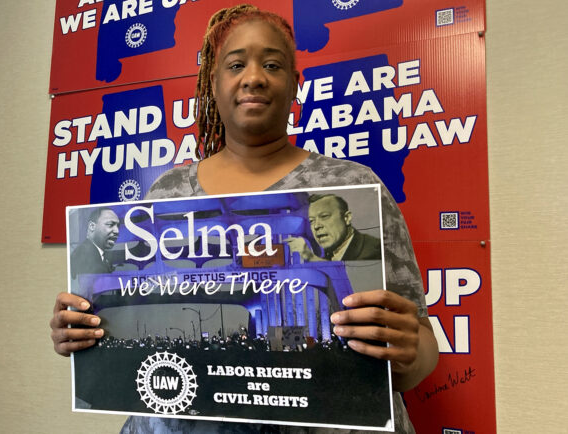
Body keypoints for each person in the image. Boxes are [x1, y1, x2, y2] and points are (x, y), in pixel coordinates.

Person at [51, 5, 438, 433]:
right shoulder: (166, 193)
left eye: (272, 64)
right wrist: (83, 332)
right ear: (213, 84)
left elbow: (419, 352)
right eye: (236, 65)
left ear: (295, 84)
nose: (253, 77)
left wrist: (409, 351)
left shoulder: (352, 183)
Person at [285, 194, 382, 262]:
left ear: (346, 218)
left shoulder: (373, 251)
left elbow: (348, 275)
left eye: (324, 216)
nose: (316, 226)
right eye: (311, 221)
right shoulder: (331, 251)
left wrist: (310, 257)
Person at [70, 207, 119, 278]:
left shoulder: (99, 255)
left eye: (118, 226)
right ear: (92, 226)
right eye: (110, 224)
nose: (117, 231)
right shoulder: (83, 256)